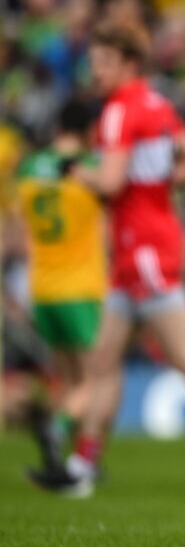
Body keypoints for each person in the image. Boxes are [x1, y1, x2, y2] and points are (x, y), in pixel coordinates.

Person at [29, 21, 185, 498]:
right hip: (145, 244)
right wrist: (157, 186)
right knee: (103, 361)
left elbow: (111, 184)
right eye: (94, 61)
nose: (94, 71)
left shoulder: (119, 111)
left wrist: (73, 169)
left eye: (103, 62)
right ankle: (82, 469)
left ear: (128, 64)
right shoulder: (157, 104)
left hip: (141, 250)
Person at [15, 97, 110, 472]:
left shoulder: (30, 168)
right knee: (95, 381)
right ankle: (59, 431)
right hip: (81, 286)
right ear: (89, 131)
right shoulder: (89, 169)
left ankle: (68, 460)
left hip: (42, 286)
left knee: (69, 381)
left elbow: (22, 232)